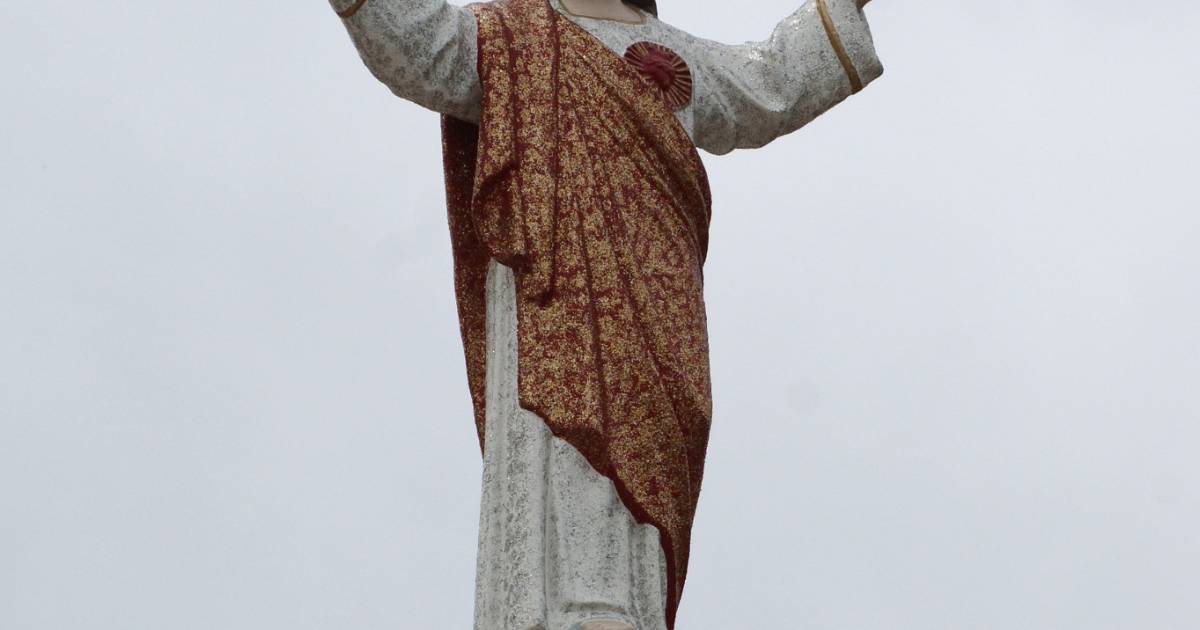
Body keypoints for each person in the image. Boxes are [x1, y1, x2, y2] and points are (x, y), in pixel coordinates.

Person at [326, 1, 883, 628]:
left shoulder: (676, 52)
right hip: (557, 291)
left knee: (645, 448)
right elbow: (422, 47)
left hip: (660, 306)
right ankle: (582, 608)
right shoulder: (513, 35)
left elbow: (768, 82)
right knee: (566, 424)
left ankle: (628, 609)